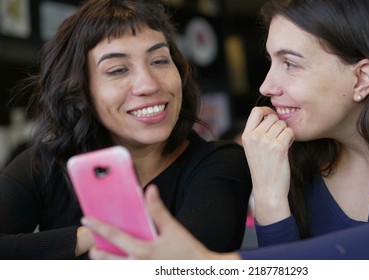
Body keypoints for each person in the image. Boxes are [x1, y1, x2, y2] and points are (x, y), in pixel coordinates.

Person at [84, 0, 369, 260]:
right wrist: (268, 196)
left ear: (361, 77)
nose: (266, 86)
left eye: (290, 64)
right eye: (271, 62)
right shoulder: (298, 164)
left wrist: (215, 265)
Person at [0, 0, 252, 260]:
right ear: (79, 90)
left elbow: (184, 266)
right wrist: (93, 234)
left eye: (159, 61)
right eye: (118, 70)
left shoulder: (221, 163)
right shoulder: (46, 164)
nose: (148, 84)